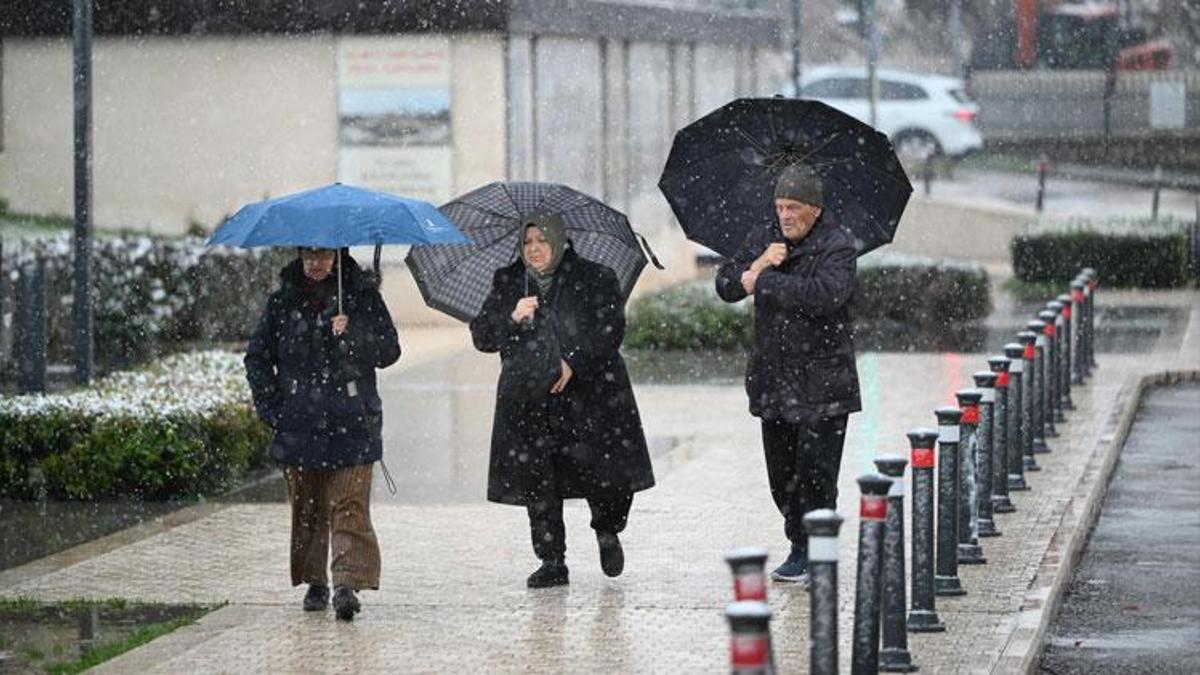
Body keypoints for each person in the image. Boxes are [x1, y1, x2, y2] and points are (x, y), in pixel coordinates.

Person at [470, 214, 655, 588]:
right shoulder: (508, 281)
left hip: (591, 397)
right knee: (539, 479)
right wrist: (512, 317)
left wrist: (573, 361)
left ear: (559, 240)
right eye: (527, 242)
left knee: (606, 476)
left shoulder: (596, 277)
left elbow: (610, 329)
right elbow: (483, 336)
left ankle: (607, 529)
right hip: (530, 399)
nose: (534, 249)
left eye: (541, 240)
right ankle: (552, 559)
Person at [715, 163, 862, 584]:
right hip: (773, 380)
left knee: (816, 473)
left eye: (794, 207)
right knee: (782, 476)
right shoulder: (765, 239)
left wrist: (762, 281)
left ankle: (810, 549)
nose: (785, 215)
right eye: (780, 206)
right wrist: (759, 263)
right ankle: (801, 537)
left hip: (823, 385)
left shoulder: (838, 247)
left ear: (814, 209)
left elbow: (823, 296)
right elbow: (726, 283)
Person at [244, 247, 400, 620]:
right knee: (308, 505)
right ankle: (316, 580)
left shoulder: (362, 297)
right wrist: (274, 410)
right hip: (300, 423)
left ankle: (347, 583)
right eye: (309, 254)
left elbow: (389, 350)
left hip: (353, 419)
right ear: (299, 255)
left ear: (338, 255)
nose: (316, 262)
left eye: (324, 254)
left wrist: (354, 333)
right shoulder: (282, 302)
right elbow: (257, 358)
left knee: (350, 504)